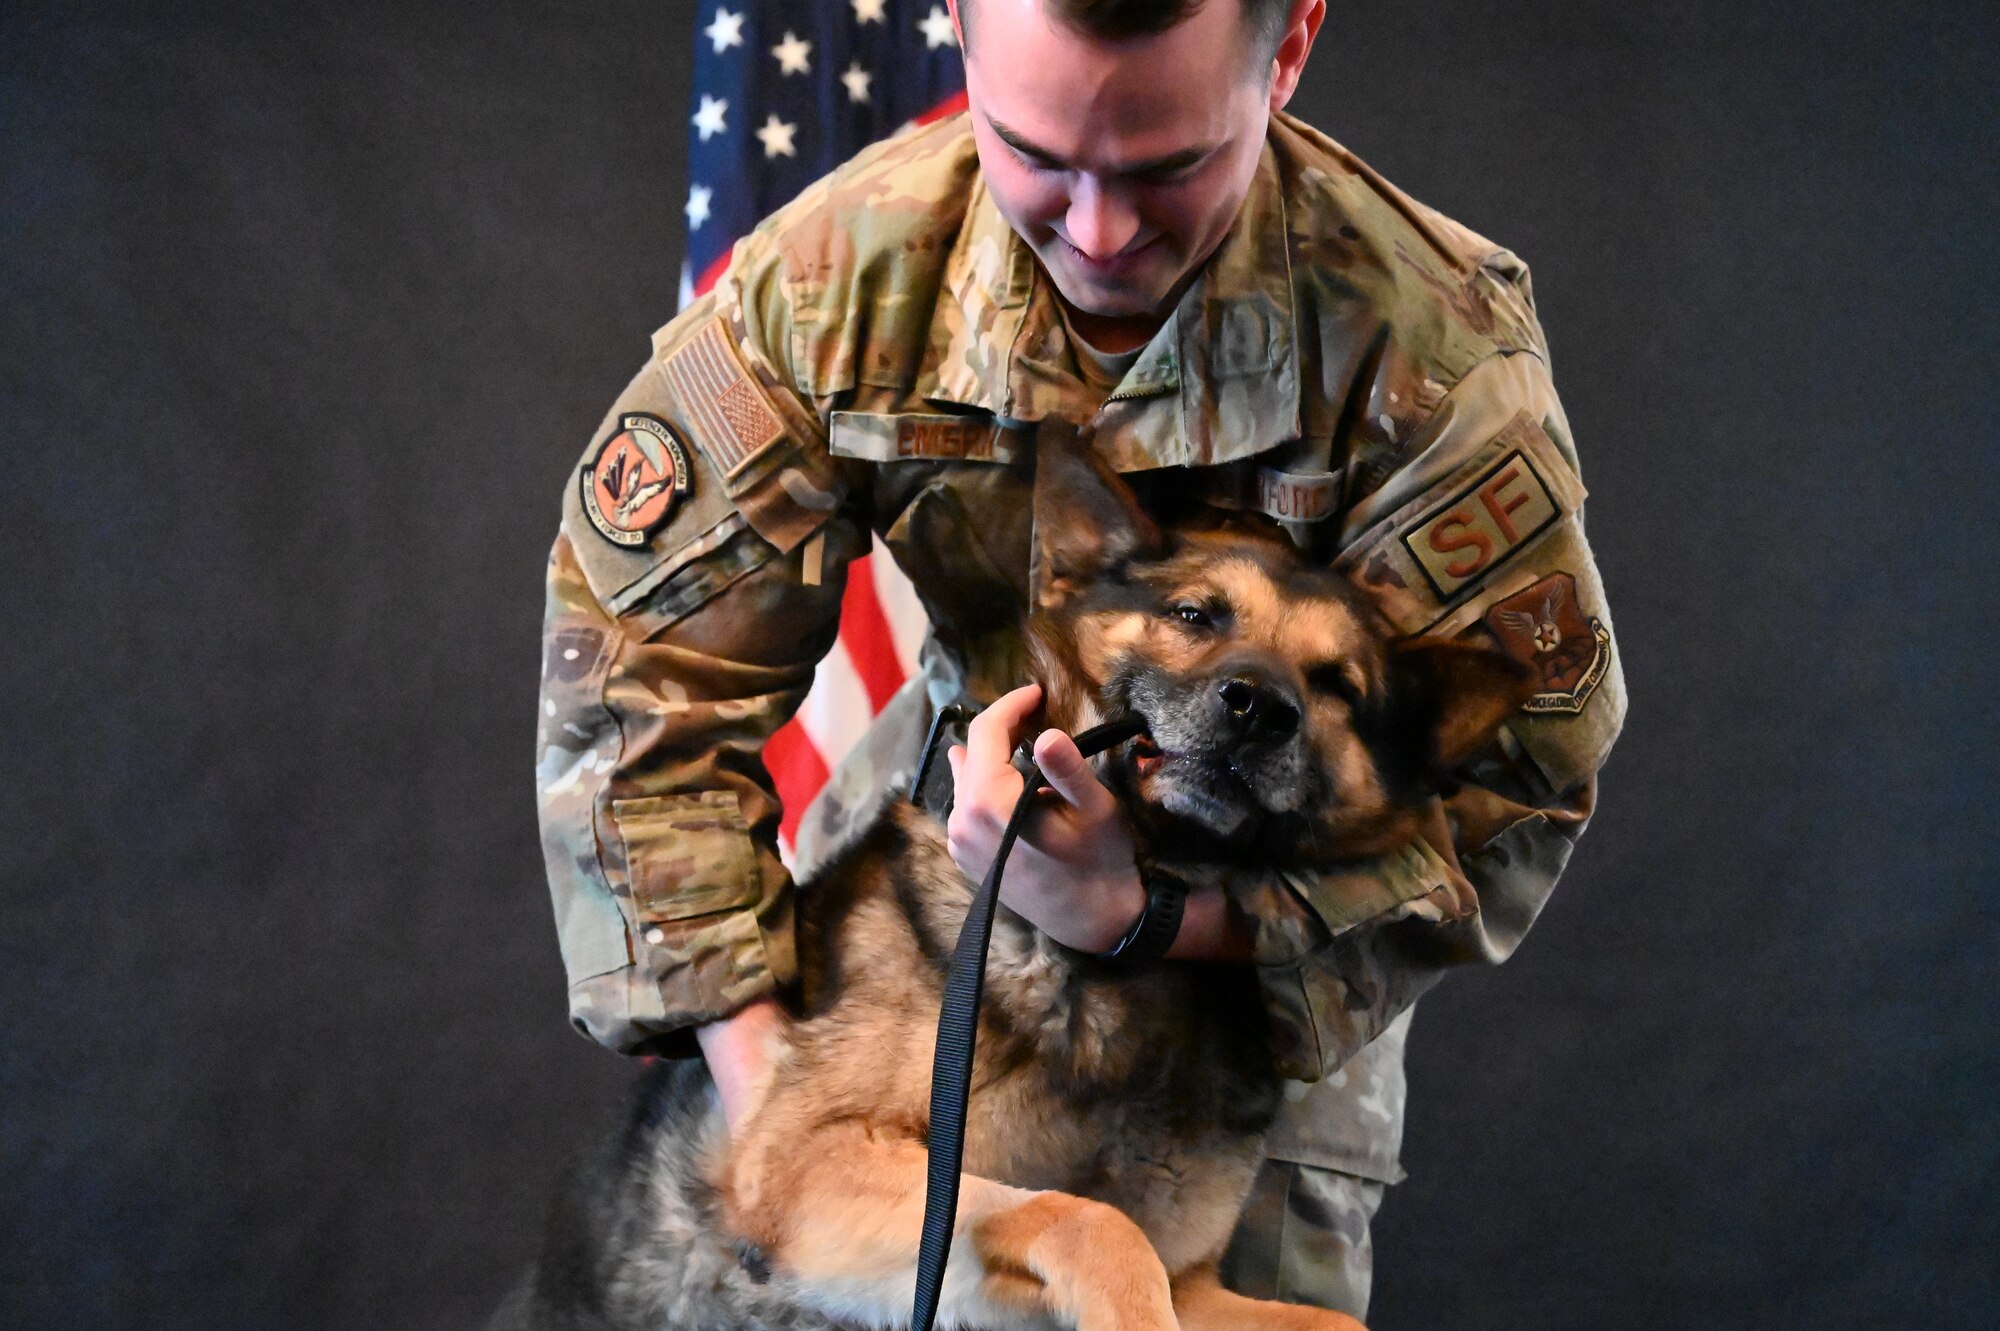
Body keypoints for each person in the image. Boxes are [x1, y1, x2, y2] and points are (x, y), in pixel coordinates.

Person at [535, 0, 1625, 1317]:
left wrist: (1157, 918)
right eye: (1036, 153)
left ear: (1286, 52)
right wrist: (781, 1099)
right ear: (955, 24)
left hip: (1262, 961)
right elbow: (634, 685)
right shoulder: (833, 290)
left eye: (1170, 167)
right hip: (933, 892)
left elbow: (1516, 791)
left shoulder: (1432, 362)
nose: (1100, 232)